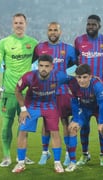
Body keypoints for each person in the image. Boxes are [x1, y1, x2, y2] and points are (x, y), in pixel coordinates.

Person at [0, 13, 38, 167]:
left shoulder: (33, 43)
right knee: (6, 125)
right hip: (10, 92)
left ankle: (21, 157)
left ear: (26, 24)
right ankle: (6, 156)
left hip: (26, 93)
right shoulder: (4, 42)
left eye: (21, 22)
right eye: (16, 22)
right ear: (12, 24)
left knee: (23, 126)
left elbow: (43, 61)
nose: (18, 25)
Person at [12, 54, 66, 173]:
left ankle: (57, 163)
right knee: (22, 132)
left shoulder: (59, 75)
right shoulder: (29, 77)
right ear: (37, 65)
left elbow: (73, 80)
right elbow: (17, 90)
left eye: (47, 66)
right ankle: (21, 163)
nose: (43, 68)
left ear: (52, 67)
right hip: (31, 106)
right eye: (41, 65)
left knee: (55, 132)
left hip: (50, 106)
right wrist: (23, 109)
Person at [33, 22, 76, 166]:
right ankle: (45, 153)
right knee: (46, 123)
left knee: (65, 122)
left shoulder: (68, 49)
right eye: (50, 30)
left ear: (60, 32)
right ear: (47, 32)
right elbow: (29, 62)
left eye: (55, 30)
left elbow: (79, 65)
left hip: (62, 92)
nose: (52, 32)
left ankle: (69, 154)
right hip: (45, 92)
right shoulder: (39, 48)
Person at [74, 14, 103, 166]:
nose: (90, 26)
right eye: (88, 24)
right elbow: (75, 58)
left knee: (102, 127)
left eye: (93, 24)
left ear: (99, 26)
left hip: (100, 90)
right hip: (83, 93)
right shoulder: (79, 41)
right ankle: (85, 154)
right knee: (84, 127)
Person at [64, 64, 103, 172]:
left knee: (102, 130)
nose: (81, 80)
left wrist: (101, 122)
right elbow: (74, 103)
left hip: (99, 108)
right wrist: (75, 119)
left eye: (84, 77)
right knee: (73, 128)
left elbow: (102, 104)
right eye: (79, 77)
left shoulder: (97, 86)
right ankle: (78, 159)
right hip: (84, 109)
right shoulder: (73, 85)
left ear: (90, 76)